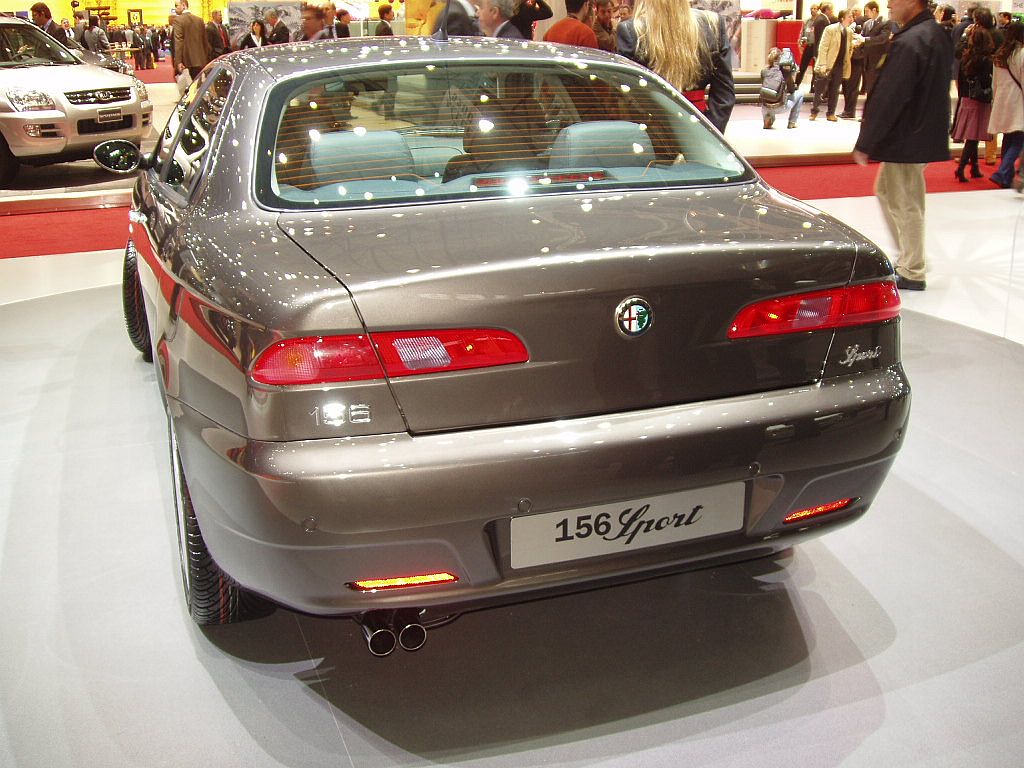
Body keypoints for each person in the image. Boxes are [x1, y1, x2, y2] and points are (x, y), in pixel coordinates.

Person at [853, 0, 953, 292]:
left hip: (907, 135)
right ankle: (910, 258)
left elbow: (891, 95)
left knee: (904, 201)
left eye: (894, 0)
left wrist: (867, 141)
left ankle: (913, 268)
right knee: (892, 193)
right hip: (919, 132)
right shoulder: (933, 33)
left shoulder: (911, 41)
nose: (889, 5)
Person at [616, 0, 734, 132]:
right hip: (699, 126)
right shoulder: (712, 25)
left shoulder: (632, 31)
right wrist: (710, 134)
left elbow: (630, 96)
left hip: (654, 132)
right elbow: (724, 95)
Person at [953, 25, 995, 181]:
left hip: (967, 99)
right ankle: (961, 168)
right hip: (979, 101)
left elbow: (960, 80)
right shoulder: (986, 60)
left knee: (973, 136)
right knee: (972, 138)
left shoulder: (966, 57)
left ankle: (974, 167)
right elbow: (986, 82)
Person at [988, 22, 1024, 188]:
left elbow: (994, 83)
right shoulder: (1021, 54)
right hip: (1018, 100)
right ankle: (1002, 172)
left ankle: (1006, 175)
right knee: (1019, 139)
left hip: (1003, 99)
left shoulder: (1000, 54)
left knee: (1009, 139)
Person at [811, 8, 857, 121]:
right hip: (827, 64)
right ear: (842, 18)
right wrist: (822, 63)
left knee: (835, 90)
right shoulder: (830, 29)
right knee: (820, 89)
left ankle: (831, 113)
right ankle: (814, 111)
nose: (851, 19)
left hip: (840, 65)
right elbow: (823, 47)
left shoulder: (849, 32)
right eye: (849, 17)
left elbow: (849, 48)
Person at [760, 47, 804, 129]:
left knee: (768, 94)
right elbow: (792, 90)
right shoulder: (785, 72)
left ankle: (767, 118)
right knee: (800, 94)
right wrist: (792, 75)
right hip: (780, 107)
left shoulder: (764, 71)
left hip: (765, 106)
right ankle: (792, 122)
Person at [173, 0, 212, 79]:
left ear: (183, 5)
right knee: (199, 84)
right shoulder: (199, 20)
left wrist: (178, 61)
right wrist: (206, 58)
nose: (175, 9)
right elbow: (205, 41)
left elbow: (179, 42)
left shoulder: (178, 20)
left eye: (176, 6)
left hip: (187, 61)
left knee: (189, 87)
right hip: (201, 59)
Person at [795, 3, 820, 88]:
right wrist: (801, 41)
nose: (812, 10)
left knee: (815, 68)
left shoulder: (819, 21)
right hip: (808, 45)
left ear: (818, 10)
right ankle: (796, 84)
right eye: (811, 9)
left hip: (816, 46)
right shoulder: (807, 21)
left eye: (814, 8)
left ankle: (813, 87)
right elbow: (802, 32)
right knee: (802, 66)